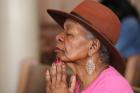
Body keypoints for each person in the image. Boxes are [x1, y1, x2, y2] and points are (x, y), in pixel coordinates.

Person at [45, 0, 134, 93]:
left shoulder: (114, 86)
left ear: (93, 46)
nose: (58, 37)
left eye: (69, 34)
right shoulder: (77, 83)